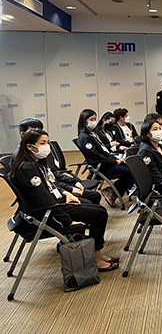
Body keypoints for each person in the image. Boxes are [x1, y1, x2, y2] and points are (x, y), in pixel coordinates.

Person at [10, 129, 117, 272]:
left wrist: (65, 193)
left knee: (91, 205)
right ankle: (96, 256)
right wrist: (67, 221)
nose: (47, 146)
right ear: (30, 146)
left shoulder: (37, 162)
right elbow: (43, 200)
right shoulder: (27, 168)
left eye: (47, 142)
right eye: (42, 143)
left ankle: (94, 251)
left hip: (54, 202)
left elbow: (50, 185)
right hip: (45, 213)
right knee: (100, 213)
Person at [9, 118, 101, 205]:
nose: (38, 134)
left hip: (56, 187)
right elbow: (44, 185)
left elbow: (52, 172)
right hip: (51, 194)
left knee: (94, 196)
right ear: (23, 135)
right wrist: (67, 190)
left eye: (40, 130)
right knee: (93, 206)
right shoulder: (25, 160)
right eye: (33, 131)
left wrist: (74, 181)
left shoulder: (38, 154)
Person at [76, 109, 135, 207]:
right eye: (91, 119)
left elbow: (103, 151)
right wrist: (115, 162)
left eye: (95, 119)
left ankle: (111, 191)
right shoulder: (84, 137)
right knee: (130, 172)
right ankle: (112, 192)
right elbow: (96, 156)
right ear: (84, 121)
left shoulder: (92, 134)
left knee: (132, 167)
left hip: (106, 162)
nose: (94, 122)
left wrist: (115, 160)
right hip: (100, 166)